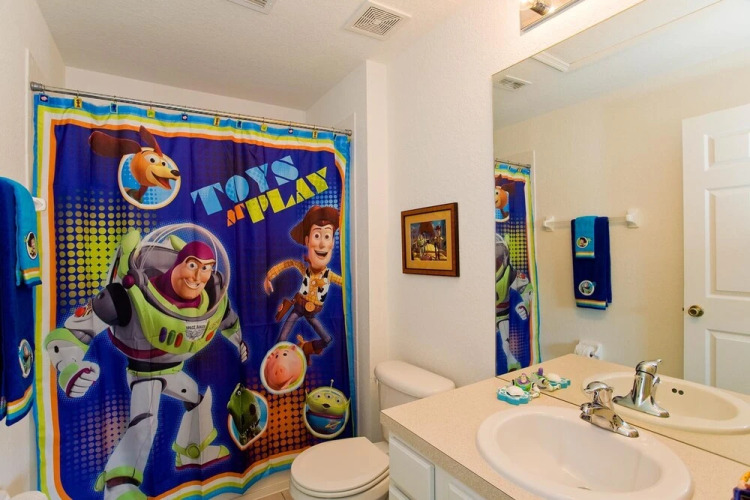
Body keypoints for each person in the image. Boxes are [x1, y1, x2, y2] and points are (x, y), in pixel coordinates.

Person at [264, 206, 342, 362]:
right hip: (299, 306)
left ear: (332, 242)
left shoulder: (329, 275)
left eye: (327, 236)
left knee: (326, 339)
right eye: (317, 236)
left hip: (312, 311)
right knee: (282, 338)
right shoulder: (305, 270)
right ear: (307, 241)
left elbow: (345, 283)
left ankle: (306, 348)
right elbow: (290, 263)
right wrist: (269, 276)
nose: (322, 244)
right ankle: (280, 360)